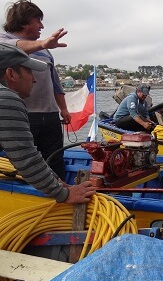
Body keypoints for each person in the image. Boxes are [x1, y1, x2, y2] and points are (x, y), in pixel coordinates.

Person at [0, 43, 95, 204]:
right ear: (11, 73)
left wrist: (57, 182)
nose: (35, 79)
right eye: (29, 71)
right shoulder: (6, 99)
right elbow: (26, 159)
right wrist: (64, 194)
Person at [0, 0, 70, 179]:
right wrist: (42, 43)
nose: (42, 26)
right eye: (38, 20)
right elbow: (14, 48)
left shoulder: (46, 52)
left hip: (50, 114)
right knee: (24, 164)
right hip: (23, 115)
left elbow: (54, 82)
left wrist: (63, 109)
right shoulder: (3, 41)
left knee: (55, 160)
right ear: (24, 21)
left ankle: (60, 194)